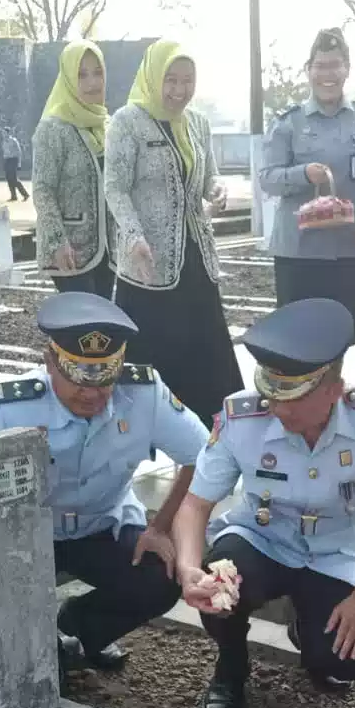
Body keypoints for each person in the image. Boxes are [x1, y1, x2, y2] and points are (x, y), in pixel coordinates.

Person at [174, 298, 355, 708]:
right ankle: (231, 664)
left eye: (292, 398)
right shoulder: (241, 416)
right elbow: (195, 504)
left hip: (339, 553)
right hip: (264, 541)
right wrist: (188, 567)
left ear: (333, 390)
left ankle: (307, 631)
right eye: (271, 394)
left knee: (346, 660)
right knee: (218, 583)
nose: (277, 409)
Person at [0, 292, 208, 672]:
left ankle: (79, 631)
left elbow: (202, 457)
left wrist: (161, 526)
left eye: (105, 378)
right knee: (23, 650)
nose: (93, 392)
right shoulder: (8, 407)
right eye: (78, 378)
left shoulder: (145, 394)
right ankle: (44, 650)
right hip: (28, 534)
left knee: (162, 574)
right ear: (50, 363)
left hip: (104, 525)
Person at [106, 40, 241, 427]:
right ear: (153, 77)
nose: (179, 90)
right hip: (147, 268)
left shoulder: (197, 122)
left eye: (187, 81)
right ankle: (145, 434)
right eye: (171, 80)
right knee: (150, 361)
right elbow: (114, 187)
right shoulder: (127, 122)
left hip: (195, 262)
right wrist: (133, 236)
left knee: (208, 354)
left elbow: (207, 177)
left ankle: (214, 439)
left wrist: (217, 189)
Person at [261, 28, 355, 342]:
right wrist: (303, 174)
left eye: (335, 65)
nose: (328, 74)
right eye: (321, 66)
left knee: (343, 335)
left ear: (347, 69)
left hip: (351, 250)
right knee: (297, 340)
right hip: (300, 254)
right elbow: (268, 179)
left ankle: (335, 391)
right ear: (309, 70)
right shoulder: (289, 122)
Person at [33, 39, 114, 298]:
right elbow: (43, 190)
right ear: (68, 78)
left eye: (97, 73)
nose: (92, 83)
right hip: (69, 249)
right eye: (81, 75)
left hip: (107, 249)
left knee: (102, 329)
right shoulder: (53, 129)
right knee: (83, 327)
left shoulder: (105, 125)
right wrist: (57, 241)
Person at [0, 128, 28, 201]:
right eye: (2, 133)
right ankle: (13, 196)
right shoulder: (3, 142)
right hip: (7, 160)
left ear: (8, 133)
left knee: (14, 178)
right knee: (9, 179)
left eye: (4, 133)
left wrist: (19, 163)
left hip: (13, 160)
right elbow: (4, 152)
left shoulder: (14, 140)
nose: (3, 134)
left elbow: (19, 152)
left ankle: (25, 194)